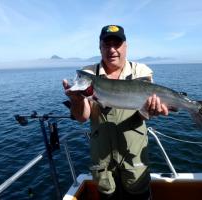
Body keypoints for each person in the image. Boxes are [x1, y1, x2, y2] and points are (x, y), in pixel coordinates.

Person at [63, 25, 168, 200]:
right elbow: (82, 117)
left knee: (138, 193)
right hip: (102, 156)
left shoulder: (140, 71)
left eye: (117, 44)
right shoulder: (89, 73)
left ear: (125, 46)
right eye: (107, 44)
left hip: (133, 153)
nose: (112, 49)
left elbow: (142, 115)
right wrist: (77, 100)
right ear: (100, 47)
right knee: (106, 194)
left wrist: (150, 110)